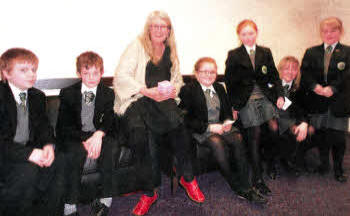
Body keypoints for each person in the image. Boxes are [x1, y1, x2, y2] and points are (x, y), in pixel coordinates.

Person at [113, 10, 205, 216]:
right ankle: (149, 191)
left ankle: (187, 178)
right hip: (139, 98)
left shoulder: (171, 49)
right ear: (148, 28)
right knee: (140, 135)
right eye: (155, 26)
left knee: (179, 124)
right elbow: (121, 76)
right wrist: (146, 90)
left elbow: (178, 79)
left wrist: (172, 90)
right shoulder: (137, 46)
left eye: (164, 26)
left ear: (169, 30)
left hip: (162, 101)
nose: (159, 30)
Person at [179, 57, 267, 204]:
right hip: (203, 129)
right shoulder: (188, 90)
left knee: (238, 138)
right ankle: (239, 188)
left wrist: (227, 122)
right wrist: (209, 127)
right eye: (204, 71)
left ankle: (246, 184)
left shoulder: (220, 87)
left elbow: (226, 111)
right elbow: (186, 118)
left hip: (221, 126)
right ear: (196, 73)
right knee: (217, 143)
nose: (208, 75)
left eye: (212, 72)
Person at [0, 48, 65, 216]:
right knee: (28, 170)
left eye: (34, 70)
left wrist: (49, 145)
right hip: (5, 154)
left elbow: (44, 127)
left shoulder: (37, 96)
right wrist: (28, 153)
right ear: (6, 73)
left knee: (60, 161)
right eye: (24, 70)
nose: (31, 74)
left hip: (29, 150)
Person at [224, 19, 284, 195]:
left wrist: (279, 95)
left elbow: (274, 76)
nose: (248, 37)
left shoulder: (265, 52)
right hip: (246, 99)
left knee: (274, 128)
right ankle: (257, 179)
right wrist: (234, 106)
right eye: (244, 34)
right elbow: (230, 82)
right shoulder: (234, 54)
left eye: (251, 33)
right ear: (239, 36)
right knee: (255, 133)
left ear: (256, 33)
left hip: (265, 96)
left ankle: (271, 163)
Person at [56, 51, 115, 216]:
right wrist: (86, 139)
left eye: (96, 73)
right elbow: (63, 126)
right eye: (86, 73)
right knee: (75, 152)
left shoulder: (108, 93)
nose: (91, 77)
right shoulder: (68, 93)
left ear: (102, 73)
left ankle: (105, 199)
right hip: (76, 136)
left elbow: (110, 119)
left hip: (97, 134)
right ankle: (70, 204)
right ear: (78, 73)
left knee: (110, 146)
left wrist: (99, 134)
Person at [299, 17, 350, 183]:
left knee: (339, 138)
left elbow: (347, 75)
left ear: (340, 32)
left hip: (339, 102)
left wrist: (332, 88)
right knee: (322, 135)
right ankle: (324, 164)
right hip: (318, 100)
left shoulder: (348, 52)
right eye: (325, 31)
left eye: (333, 30)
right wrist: (315, 87)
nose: (329, 34)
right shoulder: (311, 52)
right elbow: (305, 74)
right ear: (321, 33)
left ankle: (338, 169)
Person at [263, 56, 310, 179]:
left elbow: (303, 108)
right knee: (273, 127)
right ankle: (271, 163)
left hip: (288, 118)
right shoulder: (271, 84)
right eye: (286, 68)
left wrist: (304, 123)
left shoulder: (299, 87)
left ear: (297, 72)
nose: (290, 72)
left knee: (297, 130)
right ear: (280, 70)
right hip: (271, 116)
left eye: (294, 69)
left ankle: (287, 160)